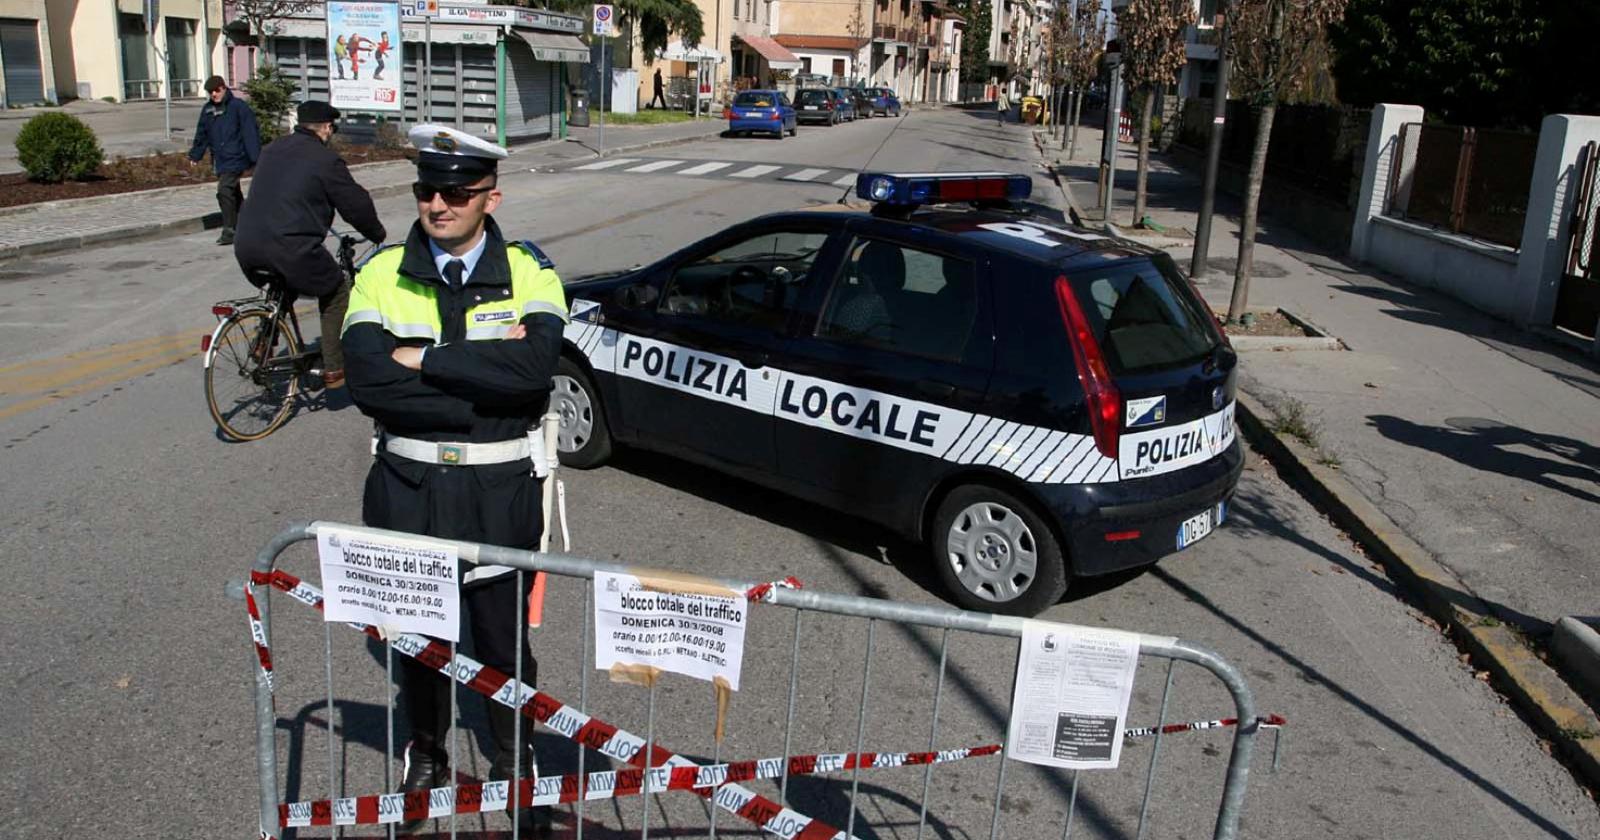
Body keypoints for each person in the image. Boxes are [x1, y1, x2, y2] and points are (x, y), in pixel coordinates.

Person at [342, 124, 566, 837]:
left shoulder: (530, 270)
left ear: (491, 198)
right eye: (426, 191)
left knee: (502, 641)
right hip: (407, 483)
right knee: (419, 639)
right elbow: (368, 384)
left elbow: (534, 374)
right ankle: (428, 757)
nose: (438, 205)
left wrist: (426, 358)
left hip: (499, 488)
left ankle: (515, 758)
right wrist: (483, 382)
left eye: (458, 193)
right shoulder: (382, 272)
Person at [232, 101, 386, 389]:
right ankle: (334, 368)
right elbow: (354, 203)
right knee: (336, 290)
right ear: (326, 128)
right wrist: (376, 232)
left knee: (287, 282)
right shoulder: (325, 160)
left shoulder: (272, 149)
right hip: (290, 247)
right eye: (332, 128)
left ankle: (263, 342)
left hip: (246, 243)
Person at [188, 76, 260, 246]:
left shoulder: (238, 107)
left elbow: (250, 133)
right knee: (233, 192)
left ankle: (229, 230)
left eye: (216, 90)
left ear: (224, 88)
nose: (214, 94)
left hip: (236, 157)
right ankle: (248, 222)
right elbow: (202, 134)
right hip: (220, 159)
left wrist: (256, 158)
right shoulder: (208, 110)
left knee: (224, 191)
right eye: (210, 92)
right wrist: (195, 154)